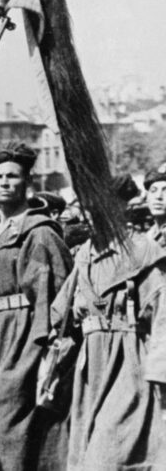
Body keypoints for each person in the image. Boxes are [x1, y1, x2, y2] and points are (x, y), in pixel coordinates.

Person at [51, 176, 166, 470]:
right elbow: (59, 313)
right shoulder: (85, 255)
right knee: (84, 450)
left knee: (110, 455)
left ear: (118, 209)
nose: (89, 214)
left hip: (130, 365)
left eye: (97, 206)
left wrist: (161, 376)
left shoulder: (143, 251)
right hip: (90, 368)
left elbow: (162, 315)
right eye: (86, 207)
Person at [0, 143, 73, 470]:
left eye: (13, 176)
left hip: (24, 336)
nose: (4, 182)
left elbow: (57, 295)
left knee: (5, 424)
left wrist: (46, 346)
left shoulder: (38, 231)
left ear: (27, 182)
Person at [145, 164, 166, 248]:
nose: (158, 196)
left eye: (165, 191)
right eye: (153, 191)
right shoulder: (150, 234)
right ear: (147, 198)